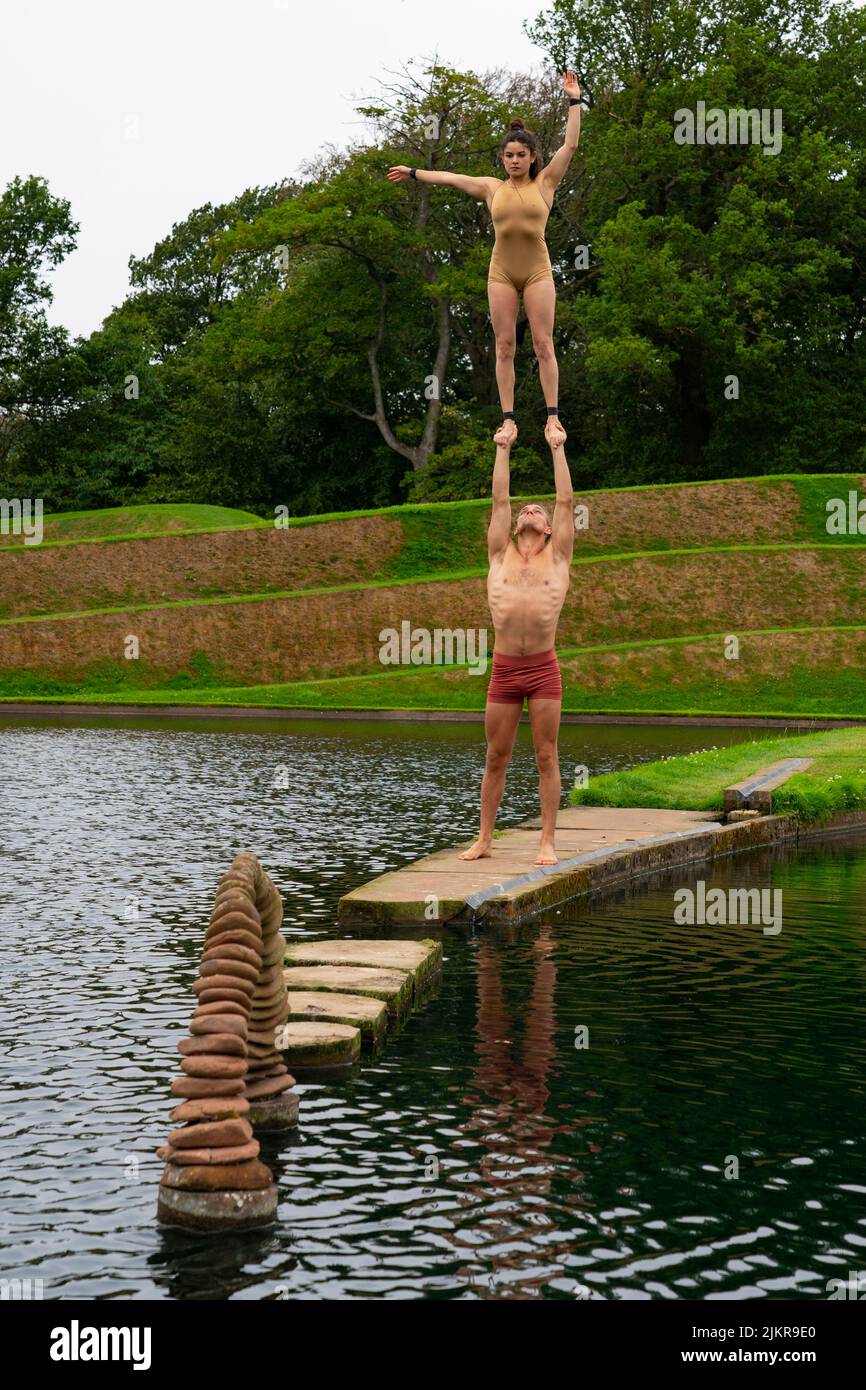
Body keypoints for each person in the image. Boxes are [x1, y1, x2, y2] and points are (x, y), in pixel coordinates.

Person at [387, 71, 584, 447]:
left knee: (544, 345)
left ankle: (552, 419)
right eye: (508, 155)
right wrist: (412, 172)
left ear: (532, 157)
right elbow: (448, 177)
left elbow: (570, 146)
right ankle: (508, 421)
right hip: (502, 274)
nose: (514, 161)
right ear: (502, 157)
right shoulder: (491, 188)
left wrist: (573, 101)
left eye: (520, 155)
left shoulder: (546, 183)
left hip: (538, 272)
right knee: (505, 346)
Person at [459, 424, 573, 865]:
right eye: (524, 510)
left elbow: (565, 501)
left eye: (536, 511)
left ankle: (547, 841)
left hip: (543, 668)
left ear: (547, 528)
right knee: (495, 757)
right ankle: (485, 839)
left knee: (547, 755)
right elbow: (500, 500)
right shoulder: (498, 553)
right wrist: (502, 449)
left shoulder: (558, 555)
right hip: (505, 669)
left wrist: (557, 448)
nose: (527, 510)